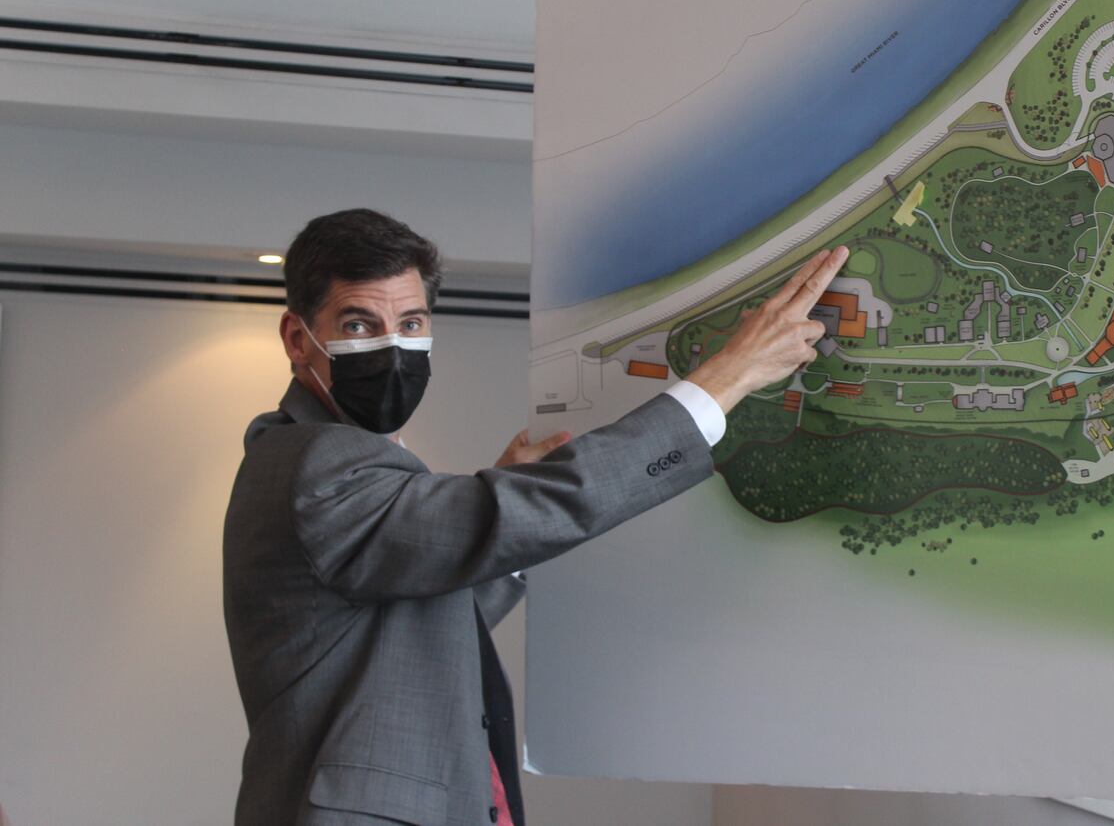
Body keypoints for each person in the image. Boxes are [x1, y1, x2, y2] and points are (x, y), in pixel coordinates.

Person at [222, 208, 846, 826]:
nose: (394, 346)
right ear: (298, 339)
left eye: (410, 321)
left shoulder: (332, 459)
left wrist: (506, 531)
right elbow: (517, 512)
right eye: (360, 324)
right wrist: (723, 381)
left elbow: (422, 621)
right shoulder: (318, 462)